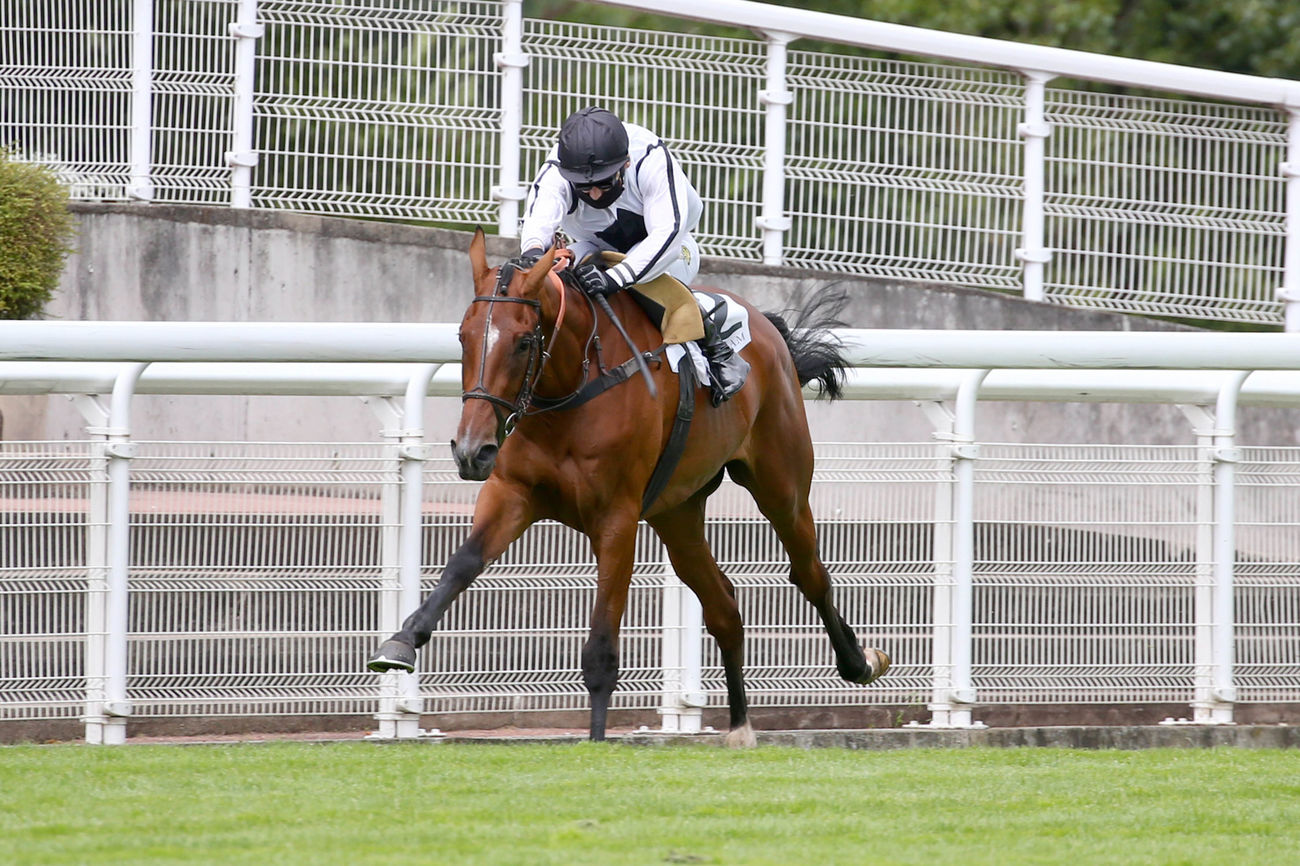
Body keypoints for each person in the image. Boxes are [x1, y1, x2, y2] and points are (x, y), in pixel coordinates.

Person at [518, 106, 747, 405]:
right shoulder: (557, 169)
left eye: (604, 183)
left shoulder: (649, 157)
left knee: (639, 282)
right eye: (584, 187)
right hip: (594, 245)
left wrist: (614, 279)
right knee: (558, 274)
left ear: (625, 164)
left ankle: (718, 350)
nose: (595, 195)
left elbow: (667, 234)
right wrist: (536, 256)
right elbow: (537, 224)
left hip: (671, 248)